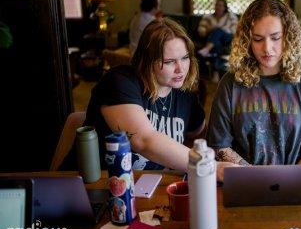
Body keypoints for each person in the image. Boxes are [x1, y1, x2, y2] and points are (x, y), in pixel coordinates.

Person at [82, 18, 235, 178]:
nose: (180, 69)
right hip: (98, 186)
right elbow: (144, 140)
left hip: (155, 188)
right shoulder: (120, 82)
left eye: (185, 58)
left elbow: (204, 136)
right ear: (147, 61)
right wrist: (211, 166)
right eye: (169, 62)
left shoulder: (185, 96)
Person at [207, 0, 301, 166]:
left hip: (294, 186)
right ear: (247, 40)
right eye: (258, 39)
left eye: (275, 37)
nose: (267, 48)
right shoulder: (230, 83)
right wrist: (257, 179)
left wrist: (291, 183)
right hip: (243, 183)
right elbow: (220, 146)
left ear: (289, 36)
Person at [197, 0, 238, 79]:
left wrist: (219, 28)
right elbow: (201, 31)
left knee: (218, 30)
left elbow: (235, 30)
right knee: (217, 43)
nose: (218, 7)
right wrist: (210, 29)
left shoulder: (231, 17)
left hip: (227, 38)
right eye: (216, 5)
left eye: (220, 5)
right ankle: (216, 72)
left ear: (224, 7)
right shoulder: (207, 17)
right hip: (214, 40)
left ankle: (206, 49)